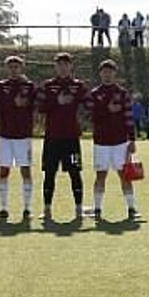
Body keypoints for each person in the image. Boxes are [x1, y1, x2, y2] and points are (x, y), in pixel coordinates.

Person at [36, 53, 91, 220]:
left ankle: (79, 209)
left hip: (71, 137)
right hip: (52, 137)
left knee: (75, 172)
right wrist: (57, 102)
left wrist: (84, 114)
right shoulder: (47, 85)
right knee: (50, 173)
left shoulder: (78, 86)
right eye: (59, 64)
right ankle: (46, 209)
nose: (63, 68)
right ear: (55, 67)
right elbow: (40, 107)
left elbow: (89, 105)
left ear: (70, 66)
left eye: (66, 64)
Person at [88, 58, 139, 219]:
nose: (107, 75)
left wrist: (132, 139)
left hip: (120, 142)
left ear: (115, 74)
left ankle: (131, 209)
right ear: (100, 74)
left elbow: (129, 117)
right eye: (104, 72)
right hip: (101, 142)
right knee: (100, 175)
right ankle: (97, 209)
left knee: (125, 176)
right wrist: (106, 109)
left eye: (110, 72)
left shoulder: (123, 93)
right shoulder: (95, 94)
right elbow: (90, 116)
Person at [0, 55, 38, 221]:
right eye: (10, 67)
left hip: (23, 136)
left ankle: (27, 208)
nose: (13, 70)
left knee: (26, 170)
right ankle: (3, 208)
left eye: (16, 67)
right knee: (4, 171)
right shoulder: (0, 86)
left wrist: (24, 104)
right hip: (5, 135)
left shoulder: (29, 86)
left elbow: (37, 105)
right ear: (6, 68)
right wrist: (13, 102)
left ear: (21, 68)